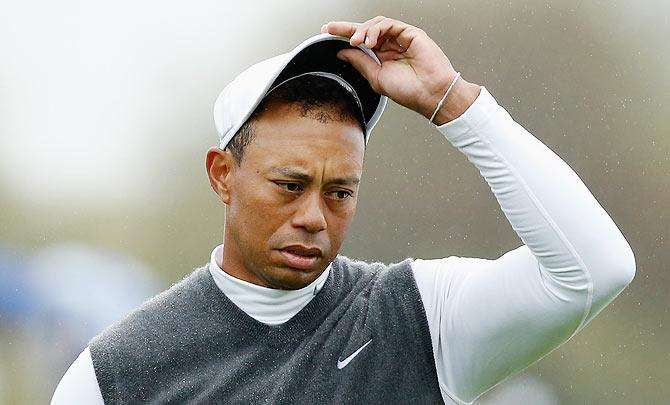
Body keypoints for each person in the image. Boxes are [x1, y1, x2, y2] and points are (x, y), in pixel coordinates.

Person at [51, 16, 635, 404]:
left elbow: (595, 268)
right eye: (289, 185)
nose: (314, 216)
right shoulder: (117, 372)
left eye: (340, 192)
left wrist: (452, 103)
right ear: (222, 175)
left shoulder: (418, 320)